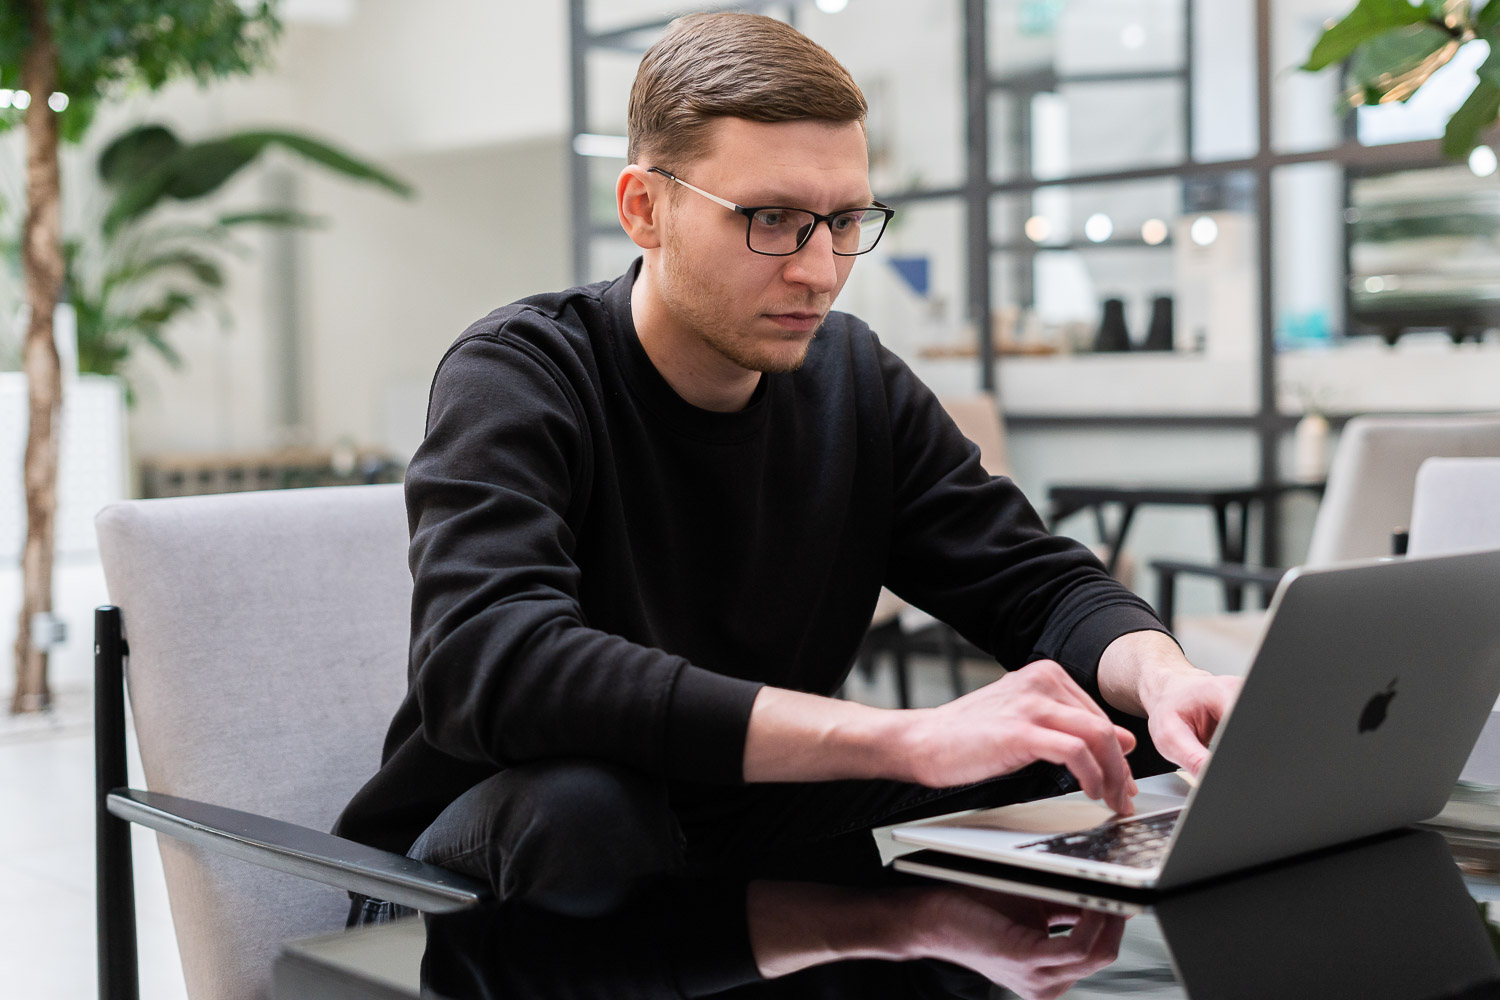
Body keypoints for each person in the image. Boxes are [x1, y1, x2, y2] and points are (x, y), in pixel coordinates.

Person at [334, 11, 1239, 921]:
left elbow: (1032, 583)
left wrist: (1166, 678)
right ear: (645, 207)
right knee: (588, 806)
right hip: (468, 875)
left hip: (743, 819)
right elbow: (493, 663)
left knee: (1114, 733)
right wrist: (902, 739)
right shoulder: (520, 373)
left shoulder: (854, 379)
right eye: (772, 220)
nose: (818, 270)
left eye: (844, 221)